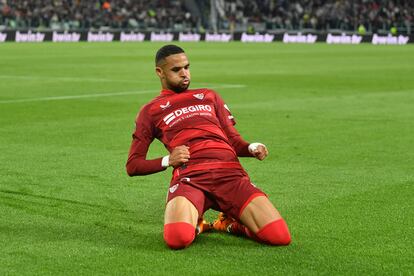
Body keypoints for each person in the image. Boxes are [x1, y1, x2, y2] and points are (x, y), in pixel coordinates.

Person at [126, 45, 291, 250]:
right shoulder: (150, 111)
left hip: (230, 175)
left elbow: (234, 140)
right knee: (177, 240)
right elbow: (133, 165)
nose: (185, 74)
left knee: (279, 237)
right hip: (191, 179)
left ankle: (230, 224)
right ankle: (198, 224)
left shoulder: (209, 96)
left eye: (187, 67)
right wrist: (168, 160)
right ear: (159, 72)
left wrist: (251, 147)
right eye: (176, 70)